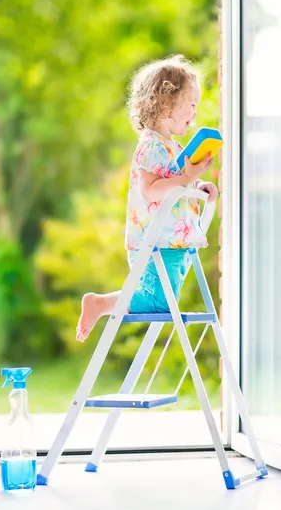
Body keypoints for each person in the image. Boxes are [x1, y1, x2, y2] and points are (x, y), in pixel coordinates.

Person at [76, 54, 218, 342]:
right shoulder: (151, 146)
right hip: (154, 241)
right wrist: (188, 178)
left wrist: (197, 184)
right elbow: (152, 189)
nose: (195, 112)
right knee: (158, 304)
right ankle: (101, 303)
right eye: (191, 104)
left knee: (165, 302)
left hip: (174, 240)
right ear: (166, 101)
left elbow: (174, 179)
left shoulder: (172, 146)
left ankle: (103, 303)